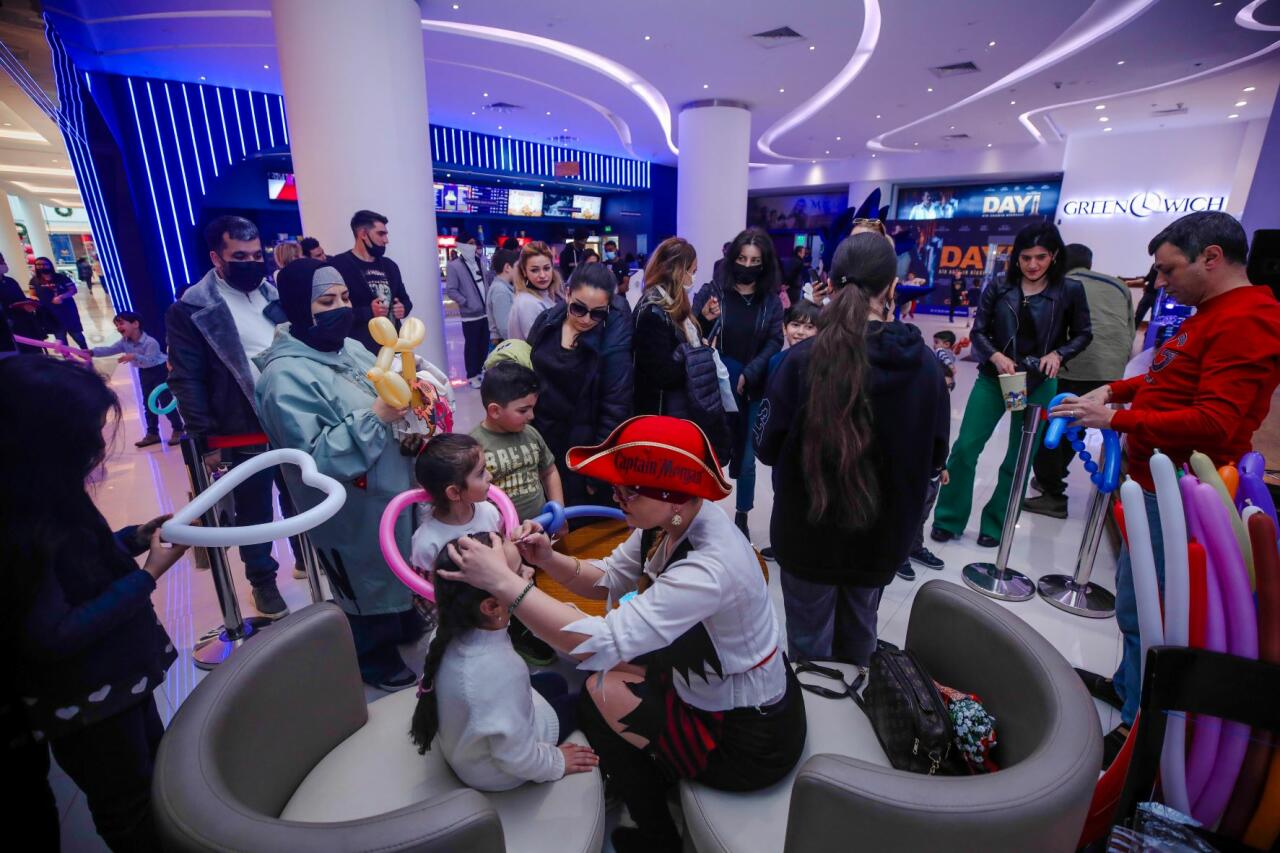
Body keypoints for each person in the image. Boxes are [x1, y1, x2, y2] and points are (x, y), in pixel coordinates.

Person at [440, 415, 806, 852]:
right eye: (617, 487)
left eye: (629, 491)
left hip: (747, 738)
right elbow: (610, 576)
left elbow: (597, 643)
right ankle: (651, 782)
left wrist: (505, 583)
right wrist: (547, 559)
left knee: (597, 696)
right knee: (601, 687)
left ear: (672, 495)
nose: (616, 498)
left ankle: (658, 838)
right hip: (718, 685)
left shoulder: (710, 565)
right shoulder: (672, 520)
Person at [1047, 211, 1280, 760]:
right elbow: (1168, 378)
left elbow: (1215, 422)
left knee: (1160, 612)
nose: (1160, 283)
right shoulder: (1210, 314)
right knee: (1136, 602)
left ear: (1212, 258)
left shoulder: (1247, 319)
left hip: (1181, 490)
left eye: (1169, 270)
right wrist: (1116, 391)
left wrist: (1117, 420)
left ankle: (1139, 729)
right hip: (1153, 482)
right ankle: (1129, 689)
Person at [1, 356, 191, 851]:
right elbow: (52, 632)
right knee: (128, 802)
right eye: (84, 435)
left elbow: (80, 560)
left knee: (155, 773)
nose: (97, 446)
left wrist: (134, 538)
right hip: (86, 700)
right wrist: (148, 575)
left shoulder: (47, 495)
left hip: (117, 682)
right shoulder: (20, 529)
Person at [756, 232, 950, 664]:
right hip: (882, 539)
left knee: (808, 649)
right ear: (892, 287)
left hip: (807, 533)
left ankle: (816, 708)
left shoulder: (800, 360)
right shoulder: (925, 367)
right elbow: (936, 458)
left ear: (830, 282)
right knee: (861, 635)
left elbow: (765, 446)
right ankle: (859, 702)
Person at [254, 258, 422, 690]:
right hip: (349, 499)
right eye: (326, 301)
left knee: (397, 554)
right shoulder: (284, 376)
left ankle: (401, 619)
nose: (342, 308)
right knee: (363, 569)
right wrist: (377, 416)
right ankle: (371, 654)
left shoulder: (350, 347)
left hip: (389, 481)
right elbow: (314, 457)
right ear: (298, 307)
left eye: (345, 297)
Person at [166, 215, 298, 618]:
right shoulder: (192, 308)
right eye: (240, 256)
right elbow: (187, 377)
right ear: (216, 258)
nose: (251, 263)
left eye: (257, 255)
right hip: (239, 425)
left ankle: (306, 557)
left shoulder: (273, 294)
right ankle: (262, 580)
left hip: (291, 415)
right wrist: (204, 437)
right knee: (254, 508)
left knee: (299, 495)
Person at [931, 222, 1092, 547]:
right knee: (965, 448)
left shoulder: (1069, 290)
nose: (1032, 264)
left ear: (1054, 256)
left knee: (1019, 458)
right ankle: (948, 518)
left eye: (1040, 257)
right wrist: (994, 356)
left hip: (1039, 384)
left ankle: (996, 525)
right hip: (995, 379)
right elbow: (978, 332)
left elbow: (1083, 334)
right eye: (1026, 257)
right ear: (1016, 257)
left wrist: (1058, 354)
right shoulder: (999, 286)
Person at [409, 533, 597, 790]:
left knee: (556, 682)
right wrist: (556, 762)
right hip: (497, 772)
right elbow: (517, 758)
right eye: (518, 574)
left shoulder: (446, 632)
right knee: (587, 700)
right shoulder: (502, 671)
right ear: (491, 607)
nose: (530, 572)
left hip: (468, 743)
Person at [1025, 243, 1135, 519]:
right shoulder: (1119, 285)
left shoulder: (1060, 283)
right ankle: (1052, 479)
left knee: (1050, 426)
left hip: (1071, 366)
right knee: (1077, 424)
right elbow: (1130, 330)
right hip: (1110, 372)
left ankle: (1052, 495)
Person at [692, 228, 784, 538]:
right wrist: (704, 318)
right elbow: (693, 331)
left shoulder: (770, 301)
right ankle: (700, 515)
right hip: (716, 389)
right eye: (742, 258)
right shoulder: (713, 292)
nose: (747, 265)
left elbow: (774, 340)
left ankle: (742, 515)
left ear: (764, 263)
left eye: (755, 260)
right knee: (710, 454)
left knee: (746, 459)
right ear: (732, 258)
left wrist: (750, 372)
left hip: (754, 388)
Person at [528, 263, 635, 507]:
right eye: (579, 308)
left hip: (584, 449)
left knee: (582, 519)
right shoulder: (546, 322)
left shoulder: (612, 341)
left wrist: (595, 468)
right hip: (543, 441)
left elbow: (615, 407)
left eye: (598, 313)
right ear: (567, 294)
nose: (586, 319)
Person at [632, 237, 732, 462]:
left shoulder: (671, 302)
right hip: (662, 415)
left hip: (677, 410)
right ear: (678, 271)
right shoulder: (652, 311)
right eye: (692, 271)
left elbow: (678, 341)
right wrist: (699, 356)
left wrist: (703, 321)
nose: (694, 277)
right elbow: (663, 373)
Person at [469, 362, 563, 522]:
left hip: (542, 526)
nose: (531, 416)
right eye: (523, 410)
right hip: (501, 533)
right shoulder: (473, 446)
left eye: (533, 408)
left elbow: (549, 471)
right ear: (495, 411)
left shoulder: (531, 434)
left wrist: (558, 511)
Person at [90, 311, 186, 447]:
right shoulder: (124, 342)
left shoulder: (150, 342)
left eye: (121, 323)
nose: (118, 327)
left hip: (159, 370)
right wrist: (91, 352)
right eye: (116, 325)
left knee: (165, 401)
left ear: (135, 324)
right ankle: (152, 433)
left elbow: (151, 360)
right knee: (148, 403)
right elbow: (110, 349)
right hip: (145, 372)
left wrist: (134, 356)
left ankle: (178, 429)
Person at [328, 210, 413, 355]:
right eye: (381, 234)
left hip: (394, 349)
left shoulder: (390, 266)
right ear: (363, 234)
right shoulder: (339, 265)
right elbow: (333, 314)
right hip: (359, 353)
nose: (386, 240)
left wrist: (403, 308)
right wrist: (368, 312)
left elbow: (405, 300)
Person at [444, 233, 489, 388]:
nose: (473, 246)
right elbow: (451, 290)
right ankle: (472, 375)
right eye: (469, 243)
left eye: (474, 243)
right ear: (461, 245)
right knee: (472, 345)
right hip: (470, 315)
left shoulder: (479, 261)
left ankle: (481, 371)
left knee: (484, 344)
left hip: (485, 312)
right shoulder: (454, 266)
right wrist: (466, 302)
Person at [507, 240, 562, 341]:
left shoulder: (541, 296)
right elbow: (541, 345)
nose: (542, 275)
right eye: (535, 270)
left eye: (546, 268)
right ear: (524, 271)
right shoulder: (527, 303)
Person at [31, 257, 87, 350]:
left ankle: (86, 352)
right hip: (49, 313)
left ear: (50, 265)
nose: (41, 266)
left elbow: (73, 290)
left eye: (44, 264)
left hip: (67, 311)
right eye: (38, 265)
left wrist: (61, 297)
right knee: (60, 338)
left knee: (77, 335)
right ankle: (67, 356)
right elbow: (32, 294)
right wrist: (34, 299)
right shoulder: (34, 281)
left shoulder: (61, 277)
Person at [0, 251, 43, 353]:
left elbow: (21, 298)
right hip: (9, 329)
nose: (3, 264)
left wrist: (28, 304)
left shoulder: (10, 281)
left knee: (35, 351)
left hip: (25, 324)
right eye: (1, 262)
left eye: (3, 261)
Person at [485, 247, 518, 343]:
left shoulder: (503, 287)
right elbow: (505, 328)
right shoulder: (500, 290)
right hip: (503, 342)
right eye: (517, 267)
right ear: (507, 267)